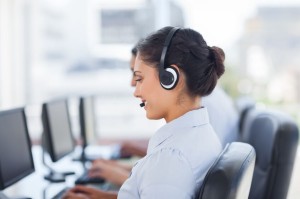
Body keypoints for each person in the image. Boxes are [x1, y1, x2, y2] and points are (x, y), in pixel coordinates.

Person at [63, 26, 225, 198]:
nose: (136, 91)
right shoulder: (201, 135)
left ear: (170, 78)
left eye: (140, 78)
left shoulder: (170, 159)